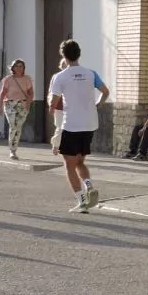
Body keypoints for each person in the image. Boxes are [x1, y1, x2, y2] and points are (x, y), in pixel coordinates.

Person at [49, 39, 110, 213]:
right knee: (80, 161)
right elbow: (105, 92)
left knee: (69, 165)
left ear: (64, 56)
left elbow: (53, 101)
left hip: (71, 124)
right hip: (90, 123)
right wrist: (97, 104)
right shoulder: (91, 73)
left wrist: (50, 105)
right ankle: (89, 186)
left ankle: (82, 201)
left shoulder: (60, 76)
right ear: (79, 54)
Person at [0, 58, 33, 160]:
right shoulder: (8, 79)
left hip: (23, 104)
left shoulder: (27, 79)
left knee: (18, 127)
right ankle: (12, 150)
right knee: (13, 125)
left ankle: (14, 149)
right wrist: (0, 107)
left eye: (21, 66)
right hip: (10, 104)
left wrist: (28, 105)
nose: (18, 68)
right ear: (12, 68)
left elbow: (31, 93)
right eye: (16, 66)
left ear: (23, 68)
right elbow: (2, 93)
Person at [50, 57, 67, 156]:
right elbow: (51, 91)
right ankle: (56, 145)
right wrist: (51, 104)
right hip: (59, 106)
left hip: (71, 106)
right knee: (60, 127)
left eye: (67, 64)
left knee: (69, 128)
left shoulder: (72, 76)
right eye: (64, 64)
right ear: (61, 66)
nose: (65, 66)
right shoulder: (56, 76)